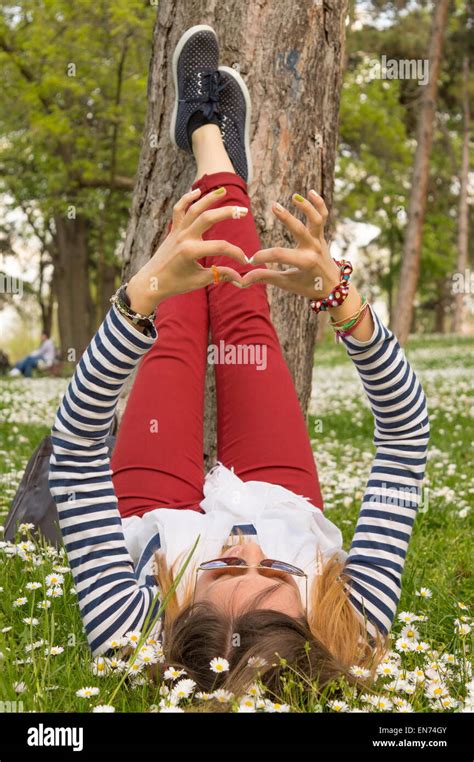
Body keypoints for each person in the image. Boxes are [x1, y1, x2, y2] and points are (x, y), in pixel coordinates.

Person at [48, 25, 429, 697]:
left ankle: (203, 137)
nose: (241, 546)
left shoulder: (127, 636)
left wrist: (138, 298)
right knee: (245, 311)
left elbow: (76, 451)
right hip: (284, 496)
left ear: (177, 629)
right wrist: (343, 301)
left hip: (154, 518)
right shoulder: (356, 626)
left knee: (176, 324)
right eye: (276, 573)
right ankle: (215, 159)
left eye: (220, 576)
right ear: (316, 624)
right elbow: (404, 441)